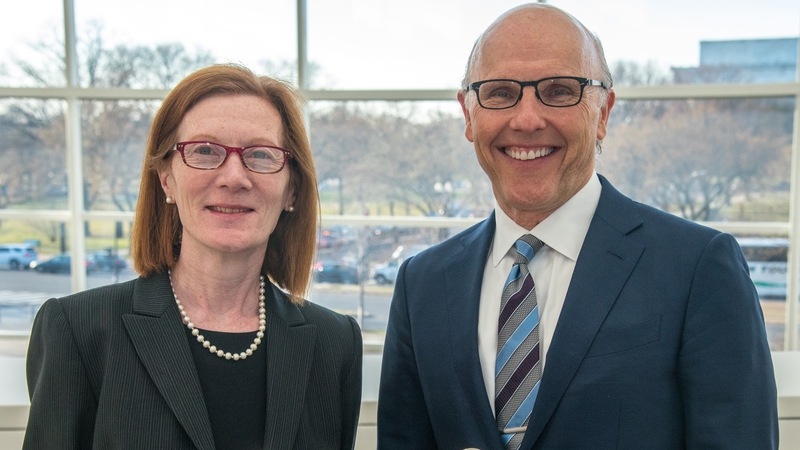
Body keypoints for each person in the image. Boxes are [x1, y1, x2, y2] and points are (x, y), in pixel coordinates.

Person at [377, 4, 778, 450]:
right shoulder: (423, 284)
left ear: (603, 112)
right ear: (469, 115)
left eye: (559, 90)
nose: (527, 119)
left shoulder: (698, 269)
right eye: (500, 92)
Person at [24, 64, 362, 450]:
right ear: (166, 178)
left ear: (292, 190)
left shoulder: (335, 345)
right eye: (204, 151)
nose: (234, 177)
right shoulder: (78, 332)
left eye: (262, 155)